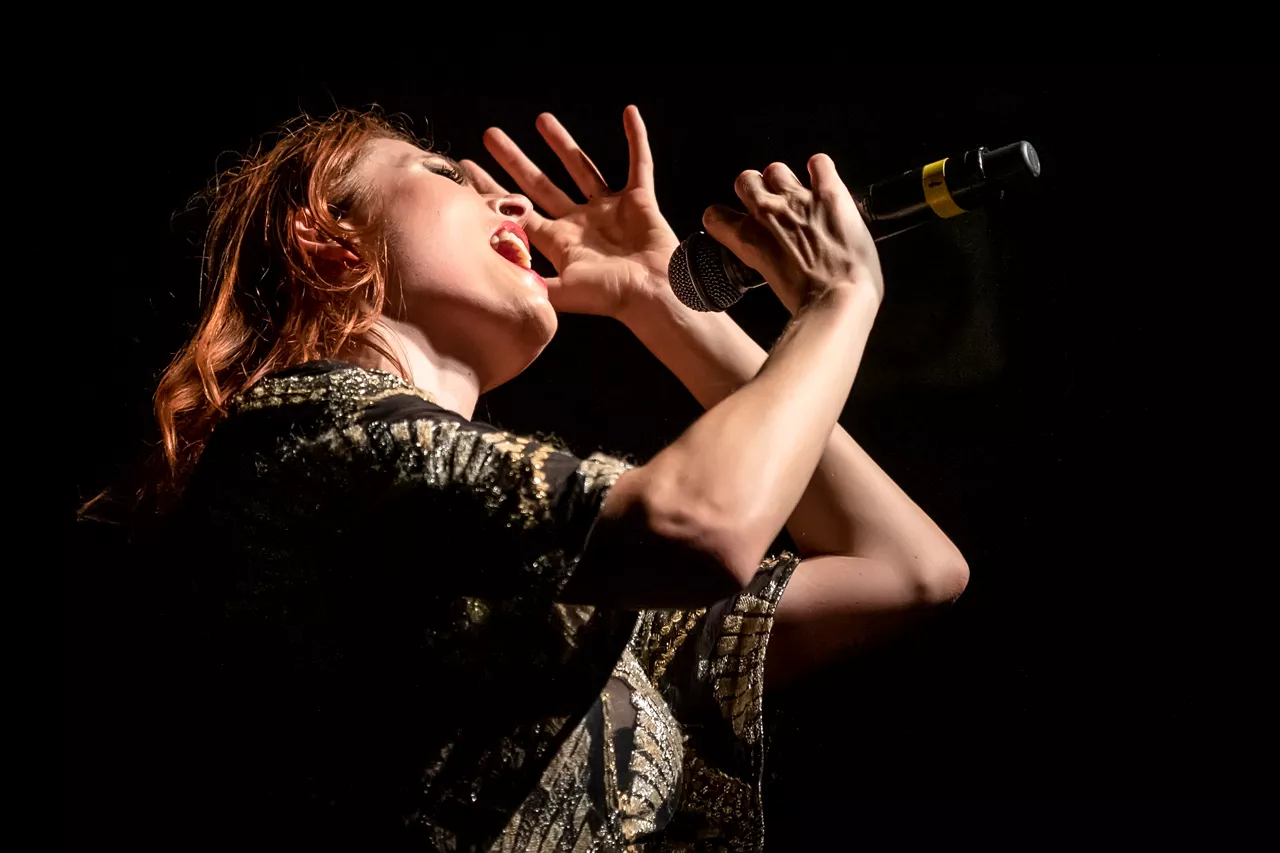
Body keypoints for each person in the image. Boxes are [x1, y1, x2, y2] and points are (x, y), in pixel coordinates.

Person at [111, 106, 968, 850]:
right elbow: (699, 526)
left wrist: (662, 302)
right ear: (329, 239)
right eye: (447, 174)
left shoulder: (533, 593)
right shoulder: (302, 438)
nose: (514, 202)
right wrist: (835, 304)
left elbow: (905, 567)